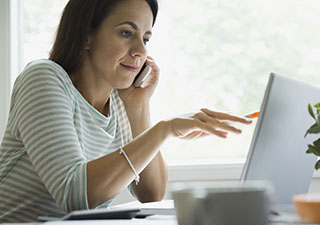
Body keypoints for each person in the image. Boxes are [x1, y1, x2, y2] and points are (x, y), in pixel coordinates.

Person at [0, 0, 252, 222]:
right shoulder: (43, 78)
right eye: (126, 33)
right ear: (86, 34)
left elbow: (151, 194)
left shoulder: (120, 100)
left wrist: (138, 107)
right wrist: (164, 130)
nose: (140, 51)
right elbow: (75, 194)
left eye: (145, 39)